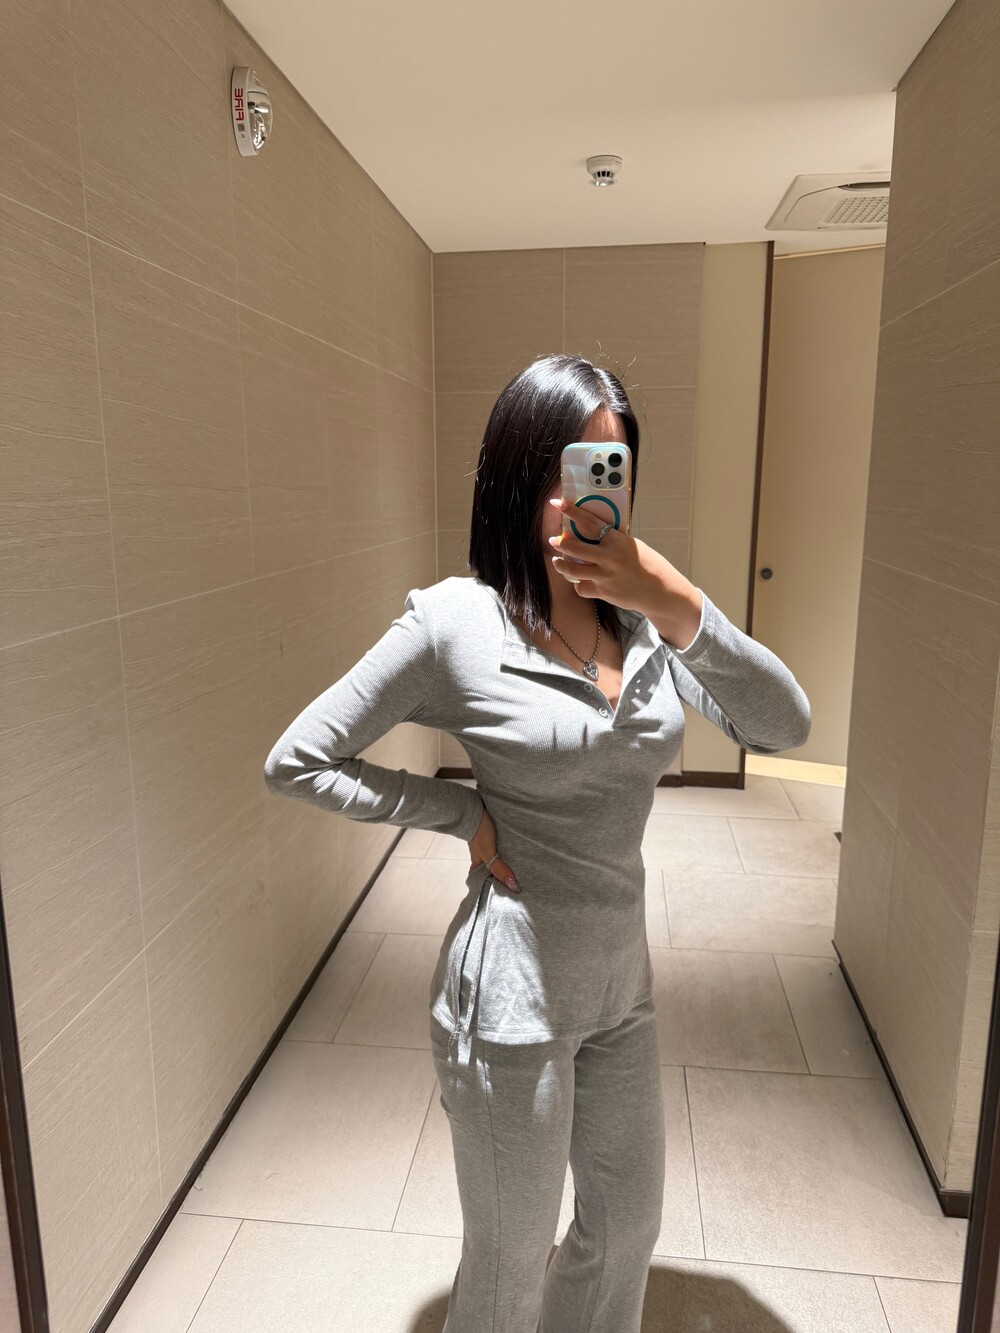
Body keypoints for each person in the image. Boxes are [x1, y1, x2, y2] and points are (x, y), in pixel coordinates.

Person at [263, 352, 811, 1332]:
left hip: (621, 986)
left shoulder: (650, 627)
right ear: (519, 478)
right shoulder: (456, 625)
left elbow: (783, 725)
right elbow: (298, 758)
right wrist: (459, 815)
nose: (582, 496)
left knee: (624, 1229)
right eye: (563, 469)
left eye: (608, 469)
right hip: (511, 997)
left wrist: (679, 602)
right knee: (511, 1263)